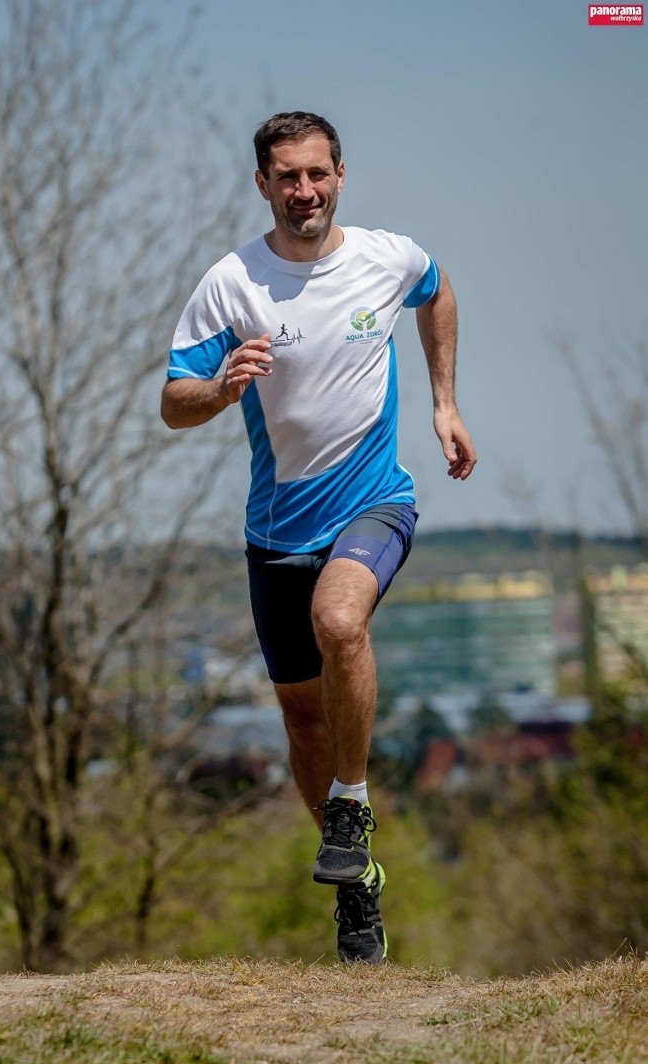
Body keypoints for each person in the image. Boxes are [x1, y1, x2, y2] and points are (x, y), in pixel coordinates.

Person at [161, 111, 477, 965]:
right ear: (262, 185)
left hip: (374, 502)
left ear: (341, 174)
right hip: (276, 534)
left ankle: (351, 803)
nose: (305, 191)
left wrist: (444, 401)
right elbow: (172, 401)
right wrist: (222, 388)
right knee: (302, 723)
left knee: (342, 622)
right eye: (287, 177)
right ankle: (357, 881)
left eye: (317, 173)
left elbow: (437, 287)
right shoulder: (231, 283)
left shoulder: (384, 258)